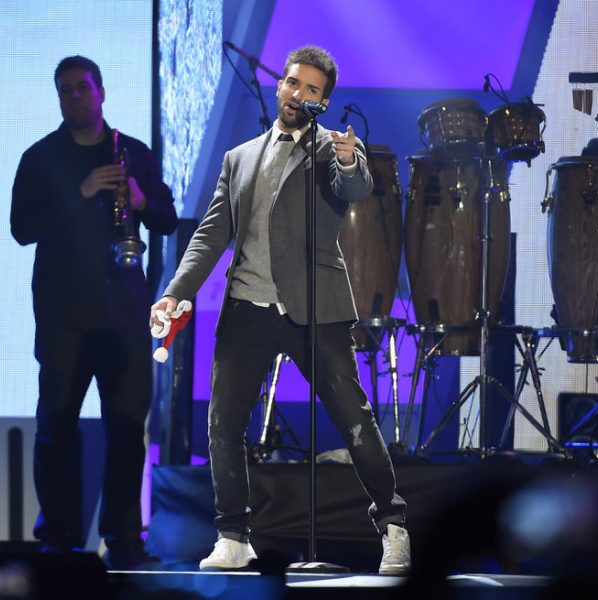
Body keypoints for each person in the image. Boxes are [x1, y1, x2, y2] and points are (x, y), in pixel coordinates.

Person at [150, 45, 410, 575]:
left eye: (312, 89)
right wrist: (177, 291)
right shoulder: (239, 158)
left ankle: (393, 527)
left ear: (323, 101)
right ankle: (232, 536)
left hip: (315, 308)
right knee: (223, 421)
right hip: (247, 307)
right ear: (280, 86)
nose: (298, 94)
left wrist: (347, 158)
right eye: (293, 83)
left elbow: (354, 185)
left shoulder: (331, 149)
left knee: (354, 419)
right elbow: (211, 234)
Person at [11, 55, 178, 569]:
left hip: (124, 312)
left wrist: (140, 199)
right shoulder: (41, 157)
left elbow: (167, 219)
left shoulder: (133, 152)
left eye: (82, 88)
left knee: (127, 429)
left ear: (101, 91)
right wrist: (80, 193)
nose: (74, 97)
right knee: (56, 427)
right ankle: (58, 539)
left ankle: (124, 539)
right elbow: (21, 229)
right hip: (63, 315)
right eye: (65, 90)